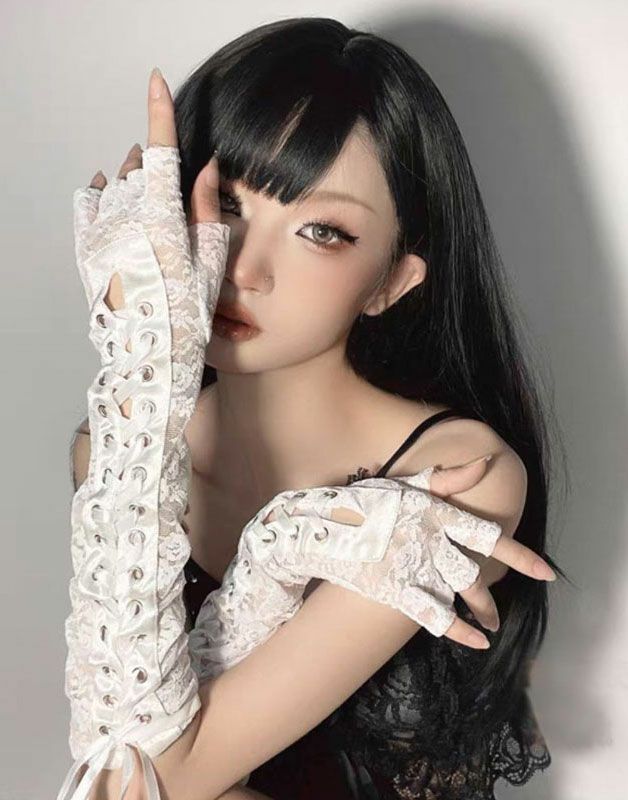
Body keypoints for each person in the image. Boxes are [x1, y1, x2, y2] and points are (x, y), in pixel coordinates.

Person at [65, 16, 568, 800]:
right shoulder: (120, 446)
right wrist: (277, 554)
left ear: (390, 283)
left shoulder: (458, 474)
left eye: (321, 231)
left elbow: (152, 782)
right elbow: (118, 768)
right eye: (224, 204)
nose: (245, 268)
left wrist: (279, 536)